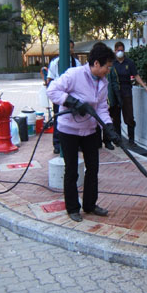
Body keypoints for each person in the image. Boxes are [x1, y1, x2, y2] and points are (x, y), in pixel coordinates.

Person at [46, 42, 121, 222]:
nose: (108, 71)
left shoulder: (103, 82)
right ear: (96, 63)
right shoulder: (74, 75)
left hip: (90, 131)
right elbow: (52, 90)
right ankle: (72, 208)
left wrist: (109, 127)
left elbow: (101, 107)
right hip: (69, 131)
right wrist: (71, 102)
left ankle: (89, 205)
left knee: (93, 168)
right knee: (72, 170)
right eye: (107, 67)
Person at [111, 41, 147, 146]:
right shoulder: (112, 63)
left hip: (126, 92)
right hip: (115, 92)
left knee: (129, 116)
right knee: (115, 117)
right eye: (118, 50)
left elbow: (136, 75)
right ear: (114, 51)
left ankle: (131, 139)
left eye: (121, 50)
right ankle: (118, 139)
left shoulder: (129, 63)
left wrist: (144, 86)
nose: (120, 52)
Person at [46, 40, 81, 154]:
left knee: (74, 118)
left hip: (72, 96)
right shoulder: (55, 62)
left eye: (71, 47)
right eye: (68, 47)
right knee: (59, 119)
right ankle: (57, 144)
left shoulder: (76, 63)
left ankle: (76, 143)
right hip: (59, 96)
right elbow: (50, 79)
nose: (70, 50)